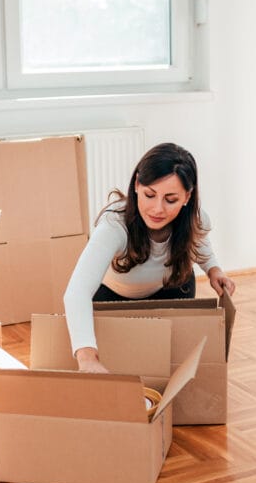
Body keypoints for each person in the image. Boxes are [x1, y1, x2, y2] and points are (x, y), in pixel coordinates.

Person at [63, 142, 235, 373]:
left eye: (171, 199)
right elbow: (77, 291)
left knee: (168, 361)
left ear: (187, 197)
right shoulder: (114, 225)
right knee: (126, 361)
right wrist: (87, 358)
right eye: (149, 195)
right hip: (115, 297)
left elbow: (201, 243)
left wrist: (214, 270)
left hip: (171, 289)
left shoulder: (195, 218)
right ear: (136, 185)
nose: (157, 209)